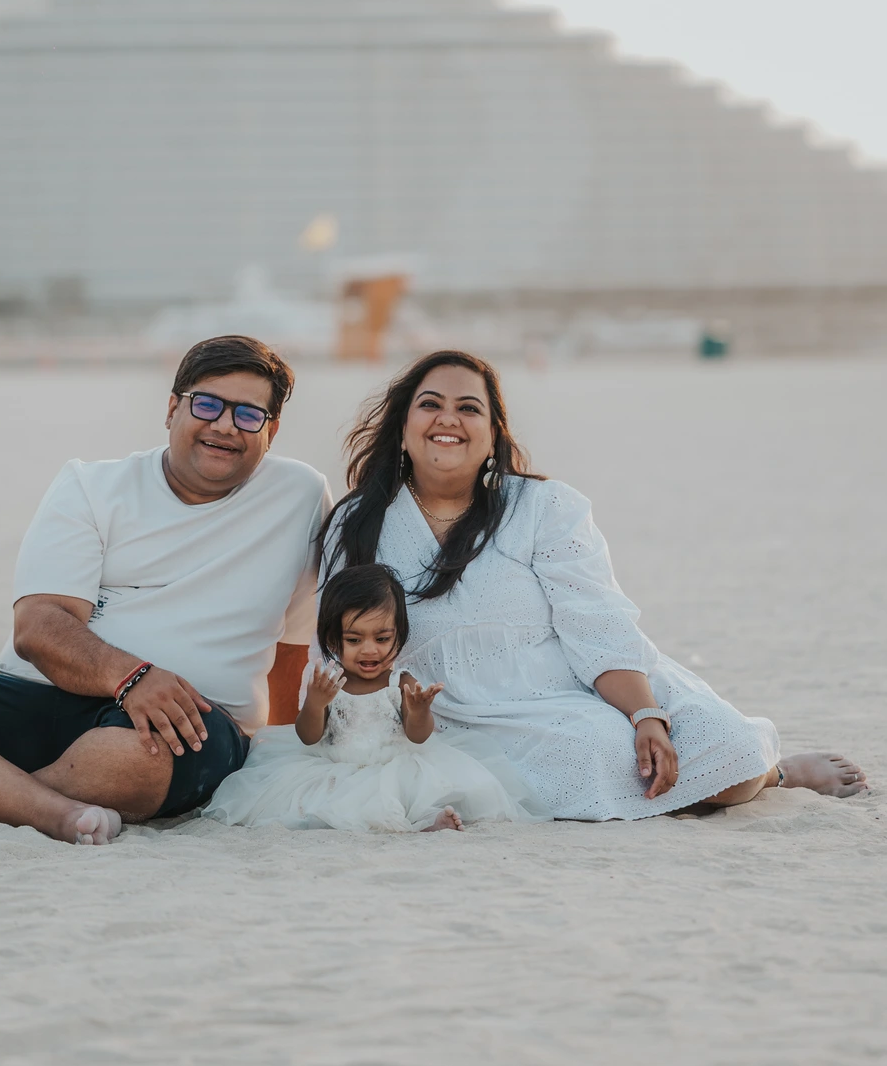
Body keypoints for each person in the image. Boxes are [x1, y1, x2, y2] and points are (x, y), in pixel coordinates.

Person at [316, 349, 869, 821]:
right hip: (446, 712)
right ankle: (680, 792)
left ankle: (774, 774)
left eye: (469, 408)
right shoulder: (359, 522)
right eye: (430, 404)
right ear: (403, 428)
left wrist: (644, 714)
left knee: (727, 751)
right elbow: (336, 639)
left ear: (492, 434)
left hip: (579, 679)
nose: (448, 419)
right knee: (595, 752)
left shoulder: (543, 507)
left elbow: (595, 623)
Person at [0, 336, 331, 845]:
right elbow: (38, 625)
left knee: (145, 754)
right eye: (207, 404)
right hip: (40, 698)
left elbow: (292, 646)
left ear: (270, 432)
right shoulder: (92, 487)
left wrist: (284, 757)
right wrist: (133, 677)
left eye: (248, 415)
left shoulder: (299, 496)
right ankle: (43, 808)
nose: (225, 425)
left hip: (185, 728)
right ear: (171, 409)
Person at [202, 564, 546, 832]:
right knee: (325, 805)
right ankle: (411, 825)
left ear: (399, 636)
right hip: (336, 765)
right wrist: (316, 703)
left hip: (395, 765)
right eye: (354, 640)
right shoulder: (329, 682)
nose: (370, 650)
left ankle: (427, 822)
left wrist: (419, 710)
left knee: (407, 795)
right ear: (334, 641)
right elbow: (308, 737)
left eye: (382, 638)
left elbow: (419, 736)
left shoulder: (401, 682)